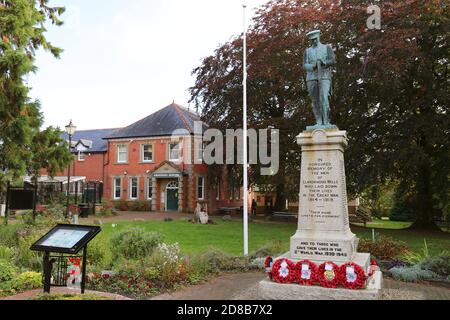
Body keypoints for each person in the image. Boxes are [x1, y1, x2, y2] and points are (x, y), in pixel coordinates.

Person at [303, 29, 336, 129]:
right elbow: (304, 65)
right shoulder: (307, 51)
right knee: (315, 100)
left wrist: (324, 63)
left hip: (324, 76)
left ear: (319, 37)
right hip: (311, 77)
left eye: (315, 39)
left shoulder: (327, 48)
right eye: (312, 40)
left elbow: (333, 60)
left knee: (324, 98)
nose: (314, 41)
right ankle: (318, 121)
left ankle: (326, 121)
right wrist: (312, 66)